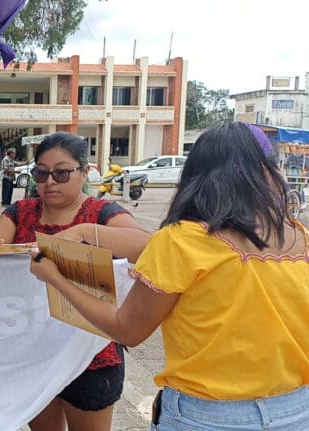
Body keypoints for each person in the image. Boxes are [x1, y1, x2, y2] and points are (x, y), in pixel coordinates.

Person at [30, 123, 309, 430]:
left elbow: (127, 331)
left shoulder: (181, 241)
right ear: (267, 170)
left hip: (206, 417)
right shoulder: (300, 237)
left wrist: (56, 279)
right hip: (296, 411)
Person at [0, 132, 149, 431]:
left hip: (91, 357)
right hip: (33, 352)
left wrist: (84, 232)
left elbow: (146, 246)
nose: (50, 181)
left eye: (62, 173)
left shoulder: (102, 214)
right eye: (41, 173)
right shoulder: (21, 213)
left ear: (84, 172)